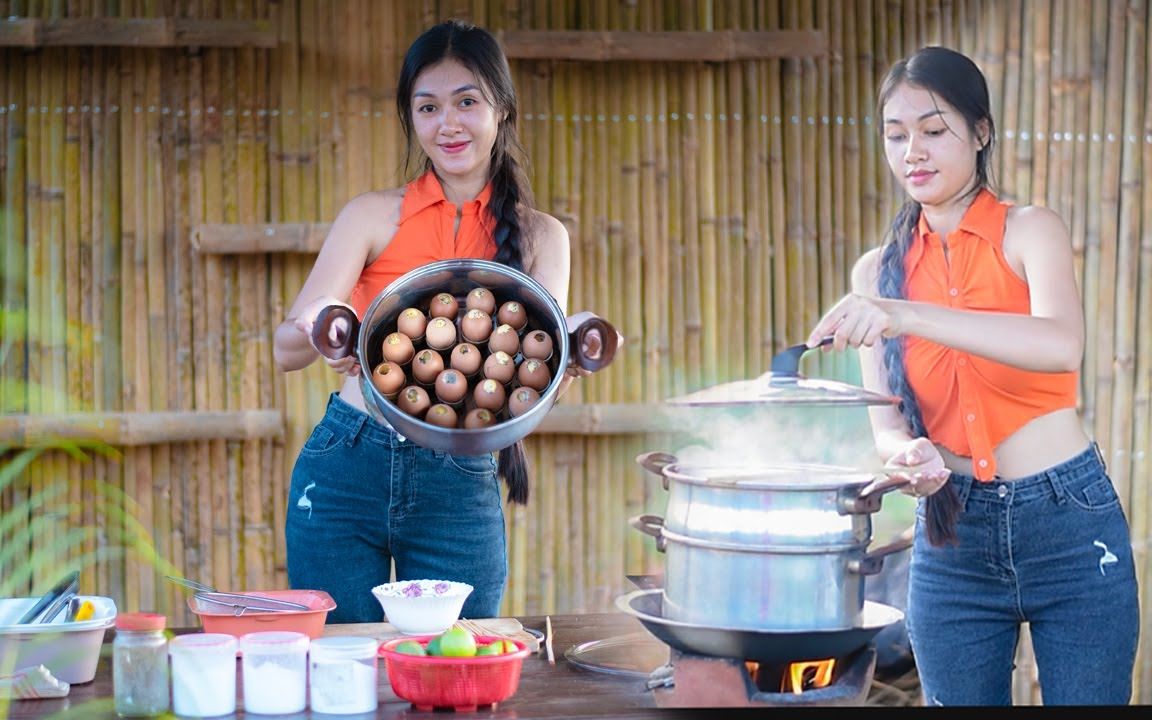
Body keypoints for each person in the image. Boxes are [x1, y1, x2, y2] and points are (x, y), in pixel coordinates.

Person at [806, 46, 1139, 705]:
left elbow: (1059, 345)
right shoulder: (877, 272)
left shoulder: (1030, 231)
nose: (913, 153)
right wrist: (909, 457)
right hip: (952, 534)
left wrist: (904, 315)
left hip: (1069, 522)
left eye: (934, 131)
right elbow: (887, 425)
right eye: (896, 136)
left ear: (980, 132)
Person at [273, 19, 583, 624]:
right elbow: (287, 349)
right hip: (346, 465)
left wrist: (568, 368)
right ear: (411, 119)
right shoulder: (370, 216)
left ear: (502, 109)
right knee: (343, 671)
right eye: (428, 107)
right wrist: (320, 327)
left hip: (459, 479)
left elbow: (541, 385)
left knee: (457, 664)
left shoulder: (543, 236)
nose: (449, 124)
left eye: (467, 101)